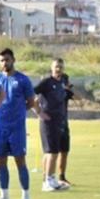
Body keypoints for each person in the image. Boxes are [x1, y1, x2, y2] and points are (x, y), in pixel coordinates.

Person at [0, 48, 36, 199]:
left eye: (7, 60)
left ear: (13, 60)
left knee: (20, 161)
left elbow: (31, 102)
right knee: (0, 161)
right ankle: (4, 196)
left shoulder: (22, 80)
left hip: (17, 128)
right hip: (0, 126)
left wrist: (19, 111)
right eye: (2, 60)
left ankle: (26, 196)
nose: (4, 63)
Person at [34, 58, 73, 191]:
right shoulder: (46, 82)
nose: (59, 69)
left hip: (59, 121)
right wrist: (39, 112)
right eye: (56, 67)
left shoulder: (63, 81)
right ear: (51, 68)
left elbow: (70, 96)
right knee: (52, 152)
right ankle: (47, 182)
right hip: (48, 122)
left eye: (61, 67)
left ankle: (51, 179)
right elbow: (32, 96)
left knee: (52, 152)